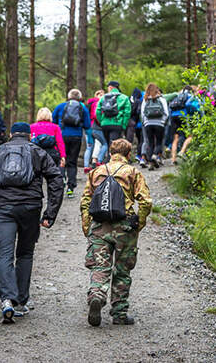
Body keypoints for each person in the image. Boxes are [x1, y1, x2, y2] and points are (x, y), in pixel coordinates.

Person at [0, 122, 64, 324]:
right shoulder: (38, 152)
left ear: (10, 134)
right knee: (25, 253)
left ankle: (7, 300)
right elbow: (56, 180)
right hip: (30, 208)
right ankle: (21, 301)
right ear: (29, 135)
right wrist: (49, 214)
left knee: (4, 254)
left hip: (2, 208)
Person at [81, 139, 152, 327]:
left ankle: (96, 295)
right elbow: (145, 201)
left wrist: (87, 226)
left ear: (110, 153)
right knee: (122, 270)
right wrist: (139, 223)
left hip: (99, 226)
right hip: (124, 227)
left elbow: (86, 200)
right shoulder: (133, 172)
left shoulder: (97, 171)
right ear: (128, 154)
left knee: (100, 266)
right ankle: (119, 313)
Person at [53, 89, 92, 198]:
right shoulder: (83, 107)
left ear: (68, 96)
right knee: (72, 161)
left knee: (61, 159)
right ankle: (70, 187)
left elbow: (53, 121)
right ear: (79, 97)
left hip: (62, 136)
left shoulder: (60, 106)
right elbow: (87, 125)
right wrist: (89, 139)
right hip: (76, 136)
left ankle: (61, 182)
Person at [140, 83, 168, 170]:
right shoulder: (161, 99)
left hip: (148, 124)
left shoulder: (145, 99)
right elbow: (166, 112)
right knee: (159, 141)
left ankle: (150, 163)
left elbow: (142, 113)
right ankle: (155, 156)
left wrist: (145, 122)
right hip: (159, 123)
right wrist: (163, 121)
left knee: (150, 142)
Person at [96, 81, 131, 151]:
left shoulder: (103, 97)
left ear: (110, 87)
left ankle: (109, 160)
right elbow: (127, 113)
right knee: (114, 146)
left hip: (105, 124)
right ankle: (113, 160)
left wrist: (101, 121)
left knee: (109, 145)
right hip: (117, 124)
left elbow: (98, 111)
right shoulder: (124, 98)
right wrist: (124, 125)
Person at [84, 90, 106, 173]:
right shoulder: (99, 102)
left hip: (88, 127)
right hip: (96, 126)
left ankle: (86, 166)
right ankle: (96, 160)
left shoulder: (89, 102)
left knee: (89, 147)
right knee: (101, 143)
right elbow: (96, 115)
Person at [169, 86, 192, 165]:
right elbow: (190, 106)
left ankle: (173, 159)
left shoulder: (177, 96)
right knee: (190, 135)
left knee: (175, 138)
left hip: (173, 117)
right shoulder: (189, 96)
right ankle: (182, 152)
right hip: (183, 116)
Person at [126, 88, 144, 162]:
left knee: (128, 140)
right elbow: (139, 112)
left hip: (126, 122)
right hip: (137, 124)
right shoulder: (139, 101)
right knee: (140, 140)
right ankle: (138, 156)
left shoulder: (127, 99)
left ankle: (128, 157)